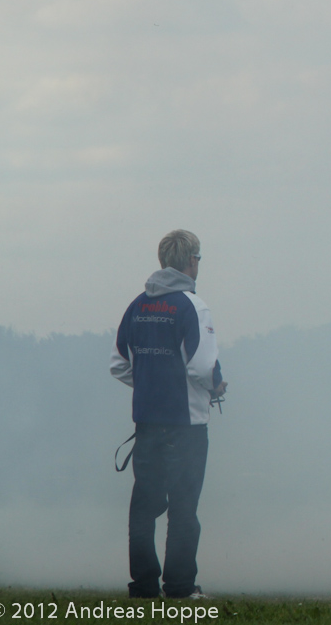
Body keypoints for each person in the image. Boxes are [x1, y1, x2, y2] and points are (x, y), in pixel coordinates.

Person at [110, 229, 227, 599]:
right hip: (186, 425)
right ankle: (179, 587)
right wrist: (216, 387)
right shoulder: (194, 306)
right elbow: (203, 367)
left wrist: (150, 384)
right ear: (191, 262)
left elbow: (119, 364)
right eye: (198, 259)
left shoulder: (136, 306)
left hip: (146, 423)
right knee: (183, 508)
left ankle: (143, 587)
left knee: (144, 508)